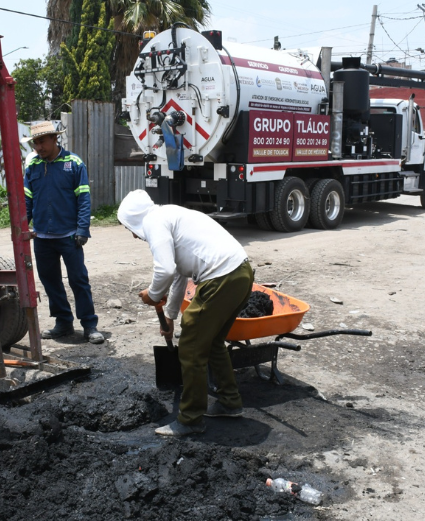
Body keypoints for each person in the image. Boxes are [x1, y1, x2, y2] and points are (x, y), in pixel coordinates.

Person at [117, 189, 254, 437]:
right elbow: (180, 273)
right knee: (212, 342)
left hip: (221, 278)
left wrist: (152, 294)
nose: (133, 236)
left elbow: (166, 269)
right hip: (241, 273)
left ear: (133, 220)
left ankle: (190, 419)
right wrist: (169, 317)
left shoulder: (153, 221)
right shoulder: (170, 214)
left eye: (129, 229)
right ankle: (230, 402)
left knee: (190, 345)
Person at [22, 121, 104, 344]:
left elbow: (84, 199)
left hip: (69, 236)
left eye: (42, 141)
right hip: (42, 237)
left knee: (78, 279)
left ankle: (89, 325)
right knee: (50, 280)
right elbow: (27, 201)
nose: (39, 147)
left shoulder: (74, 163)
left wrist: (82, 229)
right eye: (35, 143)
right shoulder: (33, 167)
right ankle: (63, 323)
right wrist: (22, 226)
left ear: (54, 139)